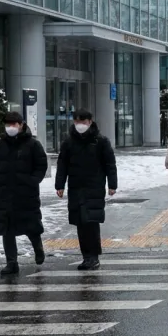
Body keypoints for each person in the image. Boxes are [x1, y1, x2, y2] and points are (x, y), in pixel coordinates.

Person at [55, 109, 118, 271]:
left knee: (91, 222)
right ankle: (86, 257)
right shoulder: (69, 142)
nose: (80, 125)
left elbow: (110, 164)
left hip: (94, 187)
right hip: (76, 187)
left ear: (90, 122)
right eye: (77, 122)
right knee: (80, 223)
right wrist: (59, 185)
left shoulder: (100, 141)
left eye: (83, 122)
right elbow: (62, 165)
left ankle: (94, 256)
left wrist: (112, 184)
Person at [0, 112, 48, 277]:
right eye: (8, 124)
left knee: (31, 225)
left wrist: (32, 180)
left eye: (14, 124)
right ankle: (11, 262)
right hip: (5, 193)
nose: (11, 127)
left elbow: (41, 165)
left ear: (21, 124)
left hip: (26, 193)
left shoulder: (33, 144)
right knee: (6, 228)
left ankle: (38, 249)